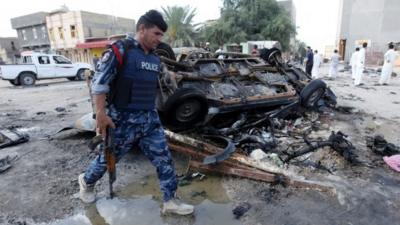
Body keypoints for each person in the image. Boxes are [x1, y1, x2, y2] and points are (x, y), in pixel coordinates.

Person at [78, 10, 194, 216]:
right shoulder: (118, 51)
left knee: (164, 159)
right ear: (142, 29)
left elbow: (164, 82)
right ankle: (86, 182)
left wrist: (175, 78)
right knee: (107, 160)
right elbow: (99, 85)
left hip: (149, 120)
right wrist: (101, 115)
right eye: (157, 34)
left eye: (161, 35)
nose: (160, 39)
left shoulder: (154, 59)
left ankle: (170, 200)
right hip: (121, 121)